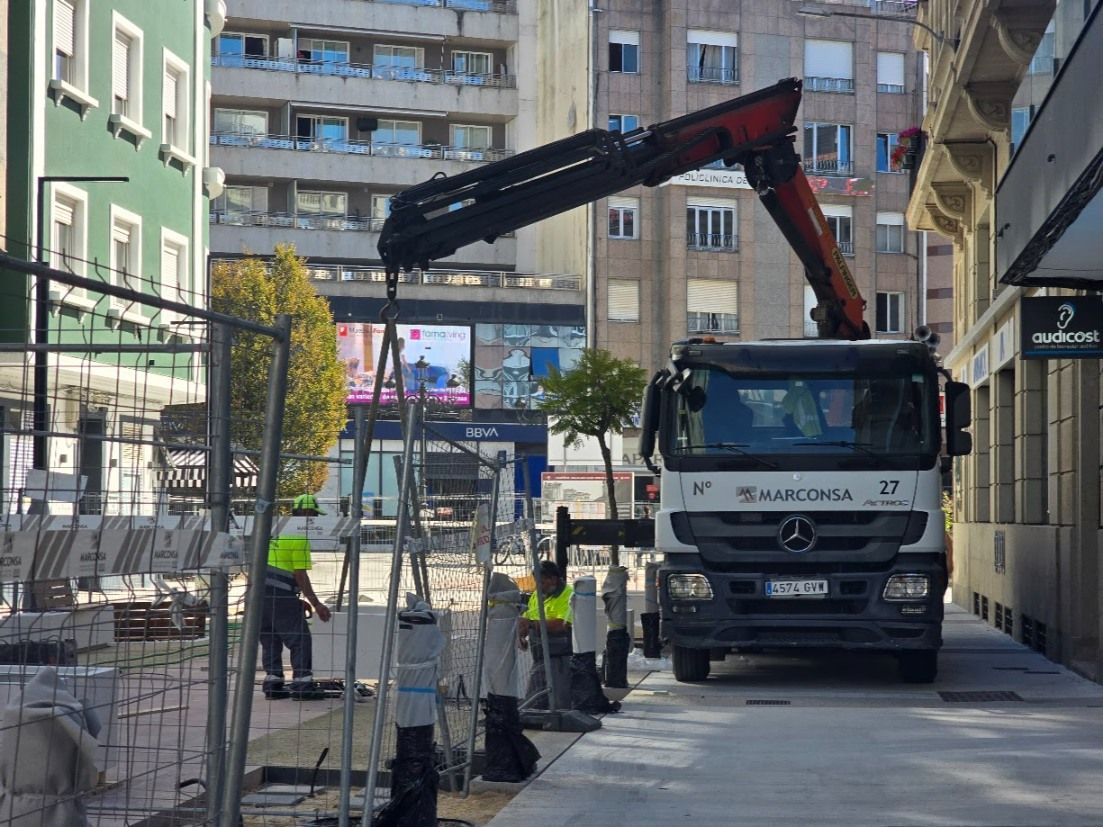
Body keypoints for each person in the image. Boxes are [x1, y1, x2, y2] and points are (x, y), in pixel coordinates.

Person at [260, 493, 332, 700]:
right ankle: (303, 686)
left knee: (270, 639)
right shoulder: (298, 536)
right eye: (314, 516)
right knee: (300, 639)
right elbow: (300, 574)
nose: (315, 520)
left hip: (257, 595)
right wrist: (316, 604)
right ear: (307, 514)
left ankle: (273, 685)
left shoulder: (275, 530)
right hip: (281, 596)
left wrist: (294, 598)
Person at [518, 560, 573, 710]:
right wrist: (521, 634)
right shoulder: (537, 595)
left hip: (559, 653)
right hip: (540, 652)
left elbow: (562, 624)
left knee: (548, 693)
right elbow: (528, 616)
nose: (539, 586)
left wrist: (531, 624)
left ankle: (534, 713)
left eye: (542, 582)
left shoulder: (568, 595)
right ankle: (536, 712)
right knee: (539, 692)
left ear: (553, 579)